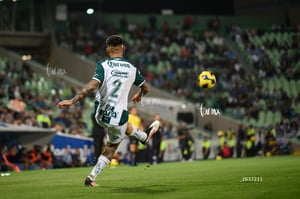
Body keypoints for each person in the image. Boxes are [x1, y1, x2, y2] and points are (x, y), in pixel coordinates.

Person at [57, 34, 160, 187]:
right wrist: (139, 94)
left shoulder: (103, 65)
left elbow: (92, 86)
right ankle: (91, 177)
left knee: (124, 127)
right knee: (111, 147)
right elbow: (146, 87)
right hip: (118, 117)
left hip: (100, 114)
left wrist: (72, 101)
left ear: (107, 50)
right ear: (123, 48)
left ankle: (144, 137)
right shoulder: (132, 69)